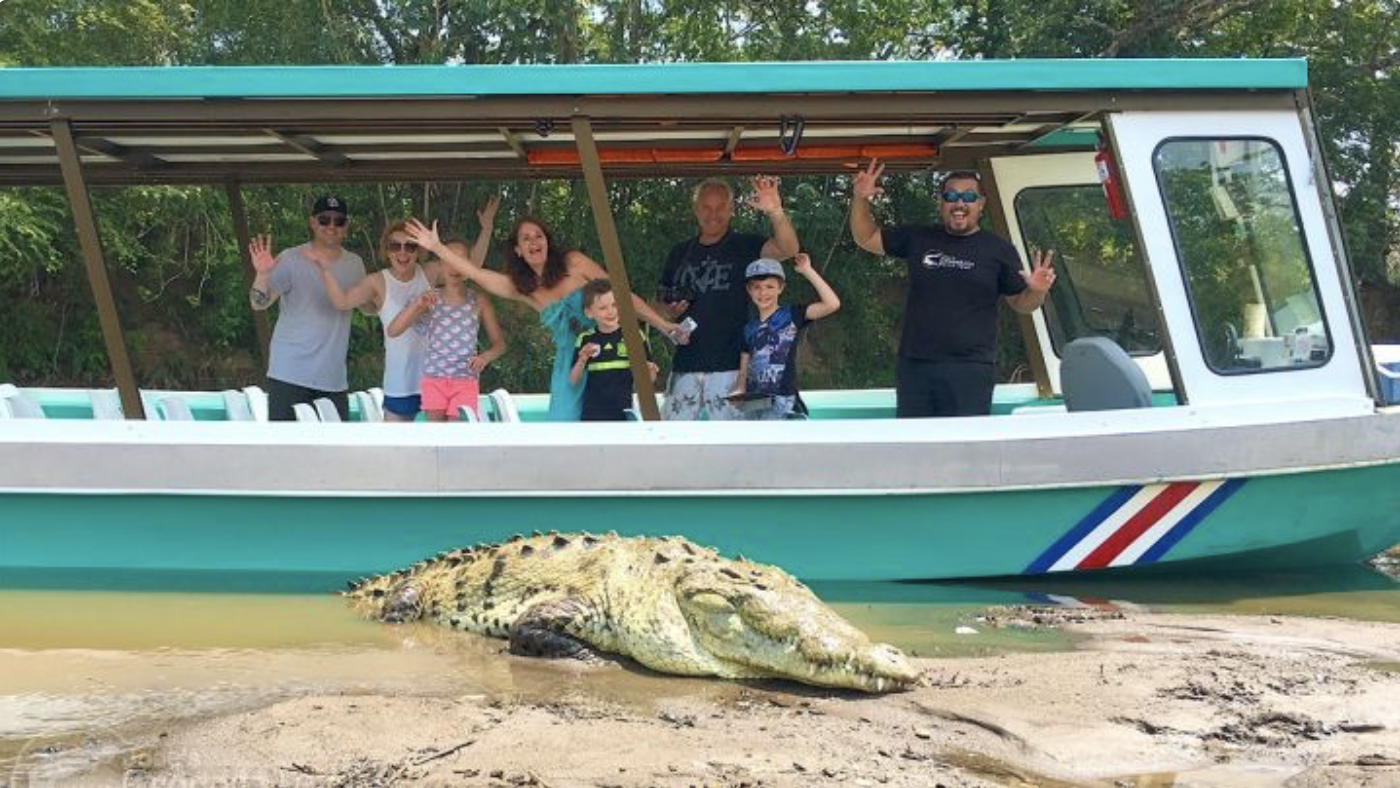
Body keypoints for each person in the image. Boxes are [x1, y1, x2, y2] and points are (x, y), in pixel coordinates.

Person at [406, 214, 682, 421]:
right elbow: (476, 274)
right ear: (518, 249)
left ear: (547, 241)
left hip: (606, 357)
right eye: (526, 238)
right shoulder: (523, 287)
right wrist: (436, 246)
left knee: (610, 423)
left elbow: (621, 295)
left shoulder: (574, 263)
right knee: (563, 425)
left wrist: (665, 326)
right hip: (569, 364)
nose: (534, 242)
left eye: (538, 235)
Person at [849, 160, 1056, 418]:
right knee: (917, 447)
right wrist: (860, 198)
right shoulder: (919, 238)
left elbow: (1022, 304)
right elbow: (866, 237)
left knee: (965, 452)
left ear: (981, 204)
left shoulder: (999, 250)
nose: (960, 203)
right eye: (951, 196)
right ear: (941, 203)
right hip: (916, 365)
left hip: (970, 369)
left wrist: (1037, 290)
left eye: (968, 196)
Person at [313, 202, 497, 421]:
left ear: (418, 251)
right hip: (400, 382)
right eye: (395, 246)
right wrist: (324, 269)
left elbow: (470, 266)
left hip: (441, 379)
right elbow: (341, 302)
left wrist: (486, 228)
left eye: (409, 246)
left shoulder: (429, 272)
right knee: (397, 453)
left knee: (445, 449)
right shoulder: (377, 282)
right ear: (386, 250)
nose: (402, 252)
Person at [657, 176, 801, 421]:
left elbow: (788, 249)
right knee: (671, 440)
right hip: (685, 364)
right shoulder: (679, 252)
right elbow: (658, 303)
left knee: (735, 446)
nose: (713, 214)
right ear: (695, 209)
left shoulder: (746, 245)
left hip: (734, 367)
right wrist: (667, 313)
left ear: (732, 209)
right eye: (706, 207)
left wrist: (776, 211)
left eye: (720, 207)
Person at [248, 195, 367, 421]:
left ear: (346, 226)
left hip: (333, 379)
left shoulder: (355, 264)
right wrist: (262, 274)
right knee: (285, 451)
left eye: (338, 221)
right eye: (325, 219)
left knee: (334, 453)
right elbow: (258, 302)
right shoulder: (291, 258)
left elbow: (367, 308)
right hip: (289, 374)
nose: (331, 226)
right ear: (313, 222)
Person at [386, 245, 506, 422]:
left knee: (458, 438)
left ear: (468, 266)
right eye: (449, 261)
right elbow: (393, 330)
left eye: (460, 262)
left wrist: (485, 357)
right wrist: (417, 305)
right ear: (440, 264)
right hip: (434, 380)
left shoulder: (479, 301)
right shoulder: (429, 298)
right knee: (438, 438)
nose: (454, 267)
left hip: (465, 381)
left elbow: (500, 344)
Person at [727, 253, 841, 420]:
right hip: (753, 401)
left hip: (783, 400)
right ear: (749, 290)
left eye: (769, 286)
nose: (763, 292)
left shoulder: (792, 314)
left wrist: (808, 271)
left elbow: (832, 304)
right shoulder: (748, 328)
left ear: (781, 288)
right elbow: (745, 361)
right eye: (756, 287)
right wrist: (739, 388)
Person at [569, 280, 659, 422]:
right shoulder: (585, 339)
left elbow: (646, 383)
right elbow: (573, 380)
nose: (611, 312)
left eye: (614, 305)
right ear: (589, 312)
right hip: (592, 414)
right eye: (603, 308)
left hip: (624, 414)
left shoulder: (634, 336)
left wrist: (650, 373)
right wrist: (582, 359)